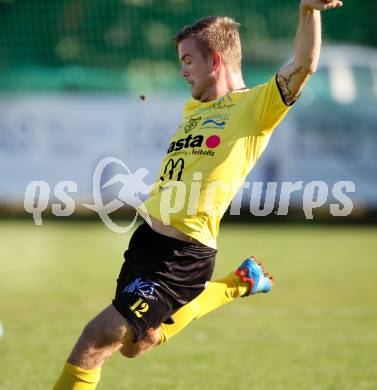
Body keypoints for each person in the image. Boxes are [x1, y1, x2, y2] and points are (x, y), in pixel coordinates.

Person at [53, 1, 343, 388]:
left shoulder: (255, 107)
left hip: (181, 258)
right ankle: (238, 283)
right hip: (146, 245)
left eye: (188, 59)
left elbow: (303, 66)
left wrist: (309, 11)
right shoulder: (195, 108)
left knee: (95, 339)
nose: (182, 69)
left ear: (216, 60)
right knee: (136, 345)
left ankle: (230, 285)